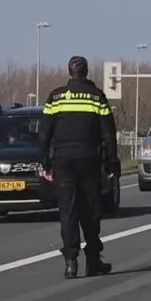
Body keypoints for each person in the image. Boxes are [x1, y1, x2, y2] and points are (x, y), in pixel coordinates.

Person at [41, 55, 117, 279]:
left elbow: (44, 133)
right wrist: (112, 162)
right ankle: (93, 259)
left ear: (69, 72)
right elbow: (108, 133)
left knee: (68, 210)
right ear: (87, 72)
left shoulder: (55, 97)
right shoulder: (97, 96)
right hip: (89, 160)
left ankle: (70, 261)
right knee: (91, 210)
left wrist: (45, 162)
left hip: (63, 161)